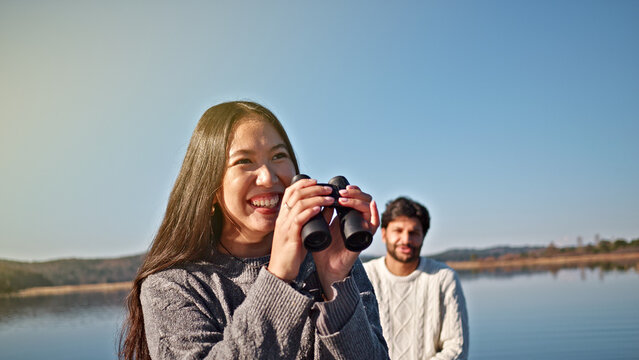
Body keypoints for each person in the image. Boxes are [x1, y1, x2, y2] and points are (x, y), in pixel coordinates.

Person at [118, 101, 388, 360]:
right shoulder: (172, 286)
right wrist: (279, 276)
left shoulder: (329, 260)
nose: (268, 177)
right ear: (210, 187)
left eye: (278, 156)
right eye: (244, 161)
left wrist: (332, 278)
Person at [363, 197, 468, 360]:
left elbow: (456, 348)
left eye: (414, 233)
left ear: (423, 237)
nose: (405, 240)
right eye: (398, 231)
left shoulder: (443, 278)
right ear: (383, 234)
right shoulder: (364, 275)